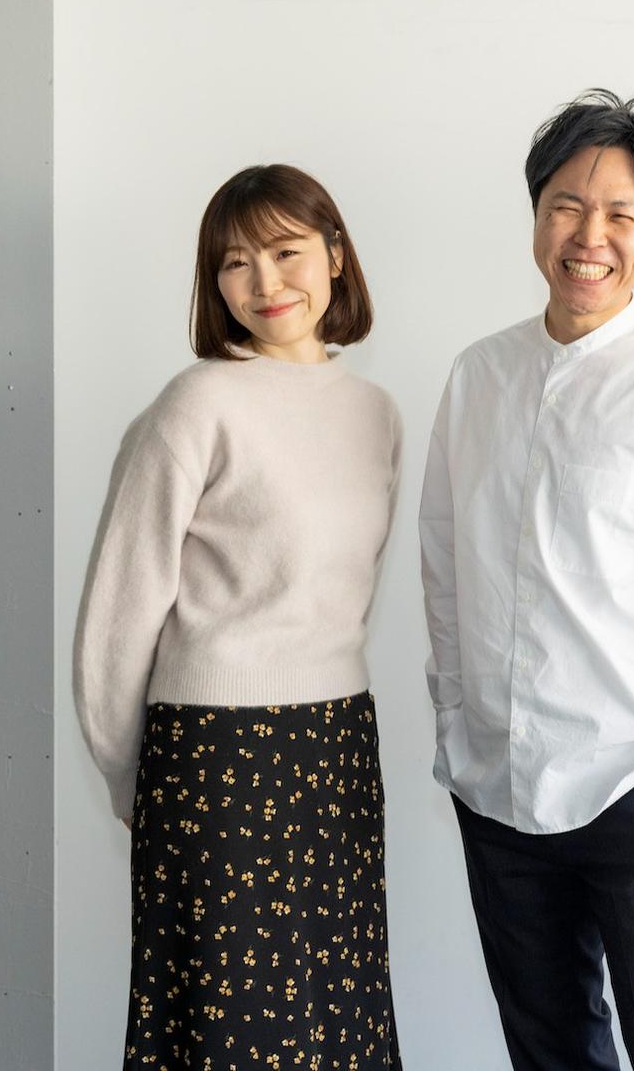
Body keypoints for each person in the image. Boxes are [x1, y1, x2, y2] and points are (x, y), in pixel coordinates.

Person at [420, 90, 634, 1071]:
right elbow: (444, 560)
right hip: (498, 783)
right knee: (548, 1049)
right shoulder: (477, 376)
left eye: (621, 213)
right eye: (566, 205)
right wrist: (458, 728)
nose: (589, 236)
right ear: (536, 214)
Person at [72, 164, 404, 1068]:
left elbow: (346, 595)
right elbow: (116, 618)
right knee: (233, 1036)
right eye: (234, 263)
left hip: (338, 747)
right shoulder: (197, 404)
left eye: (286, 252)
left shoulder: (375, 415)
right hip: (215, 759)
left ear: (335, 255)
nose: (264, 283)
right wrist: (138, 782)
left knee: (339, 1021)